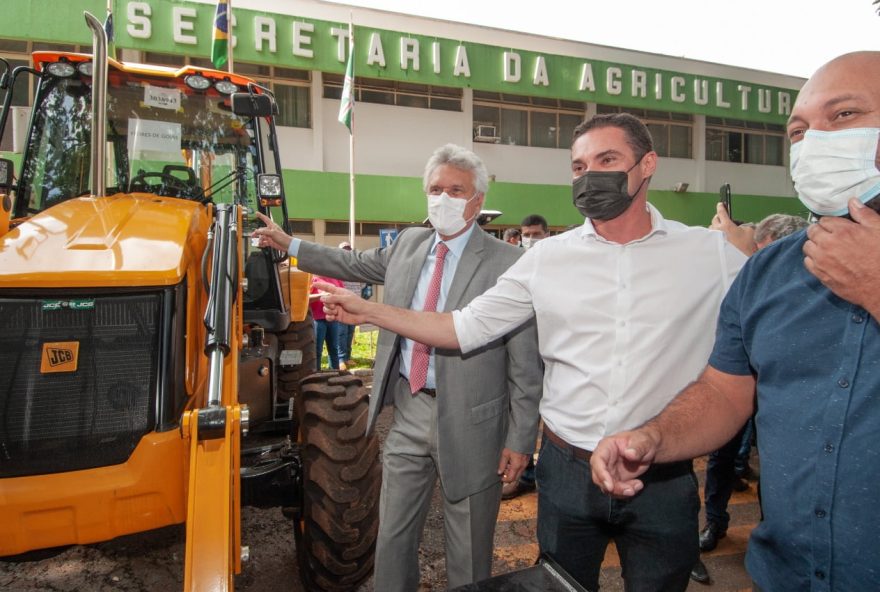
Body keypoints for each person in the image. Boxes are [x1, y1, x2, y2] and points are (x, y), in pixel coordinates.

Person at [315, 113, 747, 591]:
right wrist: (371, 312)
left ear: (647, 165)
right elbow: (464, 327)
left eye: (607, 160)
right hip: (567, 478)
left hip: (662, 479)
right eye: (579, 167)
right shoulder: (546, 259)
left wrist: (756, 249)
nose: (589, 176)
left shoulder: (712, 256)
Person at [591, 52, 880, 591]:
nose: (813, 142)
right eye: (797, 131)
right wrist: (656, 436)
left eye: (842, 117)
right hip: (785, 575)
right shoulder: (769, 271)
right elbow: (725, 394)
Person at [253, 144, 542, 591]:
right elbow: (351, 263)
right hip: (409, 409)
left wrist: (521, 438)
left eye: (455, 190)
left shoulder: (509, 263)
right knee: (392, 536)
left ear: (477, 200)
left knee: (467, 547)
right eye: (435, 189)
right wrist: (290, 244)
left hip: (473, 421)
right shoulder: (409, 243)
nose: (443, 199)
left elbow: (526, 364)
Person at [690, 209, 809, 585]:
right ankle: (715, 523)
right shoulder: (735, 272)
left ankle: (772, 530)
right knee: (721, 459)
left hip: (781, 392)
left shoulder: (810, 274)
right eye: (764, 251)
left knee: (774, 465)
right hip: (733, 379)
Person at [335, 241, 364, 371]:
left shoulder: (356, 268)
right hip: (342, 305)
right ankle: (341, 359)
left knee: (350, 332)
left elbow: (362, 285)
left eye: (348, 250)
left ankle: (347, 357)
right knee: (341, 332)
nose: (347, 252)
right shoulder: (337, 269)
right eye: (344, 250)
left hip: (354, 305)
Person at [310, 274, 344, 370]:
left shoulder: (336, 278)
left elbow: (343, 296)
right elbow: (305, 299)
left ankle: (335, 373)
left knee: (334, 348)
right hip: (317, 319)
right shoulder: (312, 279)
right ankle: (315, 373)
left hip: (332, 319)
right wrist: (321, 296)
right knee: (317, 349)